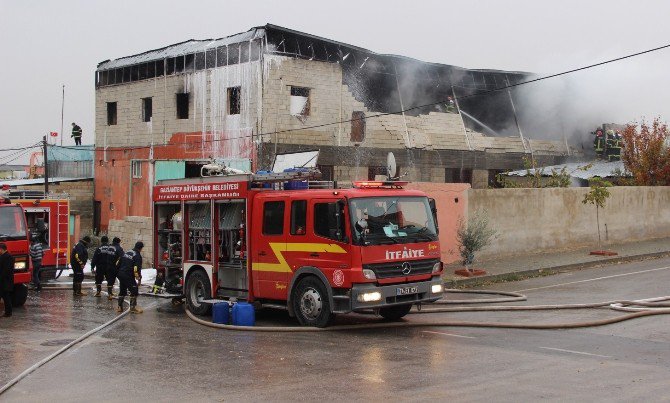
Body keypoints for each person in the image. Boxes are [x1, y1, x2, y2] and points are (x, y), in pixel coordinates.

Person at [116, 241, 144, 314]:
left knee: (122, 290)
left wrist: (118, 272)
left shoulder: (127, 252)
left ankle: (119, 306)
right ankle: (133, 307)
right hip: (128, 274)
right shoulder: (137, 256)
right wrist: (138, 278)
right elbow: (136, 268)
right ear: (141, 248)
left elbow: (118, 262)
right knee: (134, 290)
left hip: (120, 274)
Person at [0, 243, 15, 317]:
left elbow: (5, 271)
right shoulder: (8, 256)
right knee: (6, 297)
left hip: (4, 281)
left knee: (6, 297)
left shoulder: (6, 257)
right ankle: (8, 312)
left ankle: (8, 313)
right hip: (5, 281)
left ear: (1, 249)